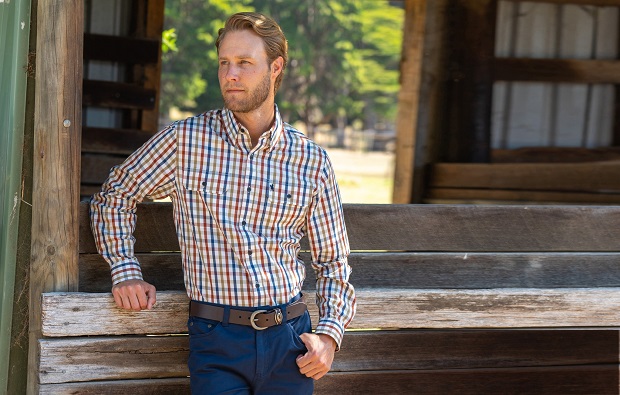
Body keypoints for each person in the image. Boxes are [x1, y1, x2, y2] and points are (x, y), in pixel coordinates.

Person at [90, 11, 356, 394]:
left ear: (275, 68)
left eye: (245, 63)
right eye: (224, 63)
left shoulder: (310, 160)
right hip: (216, 337)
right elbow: (114, 196)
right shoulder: (185, 142)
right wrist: (125, 269)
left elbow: (332, 261)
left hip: (290, 343)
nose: (230, 74)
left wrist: (329, 336)